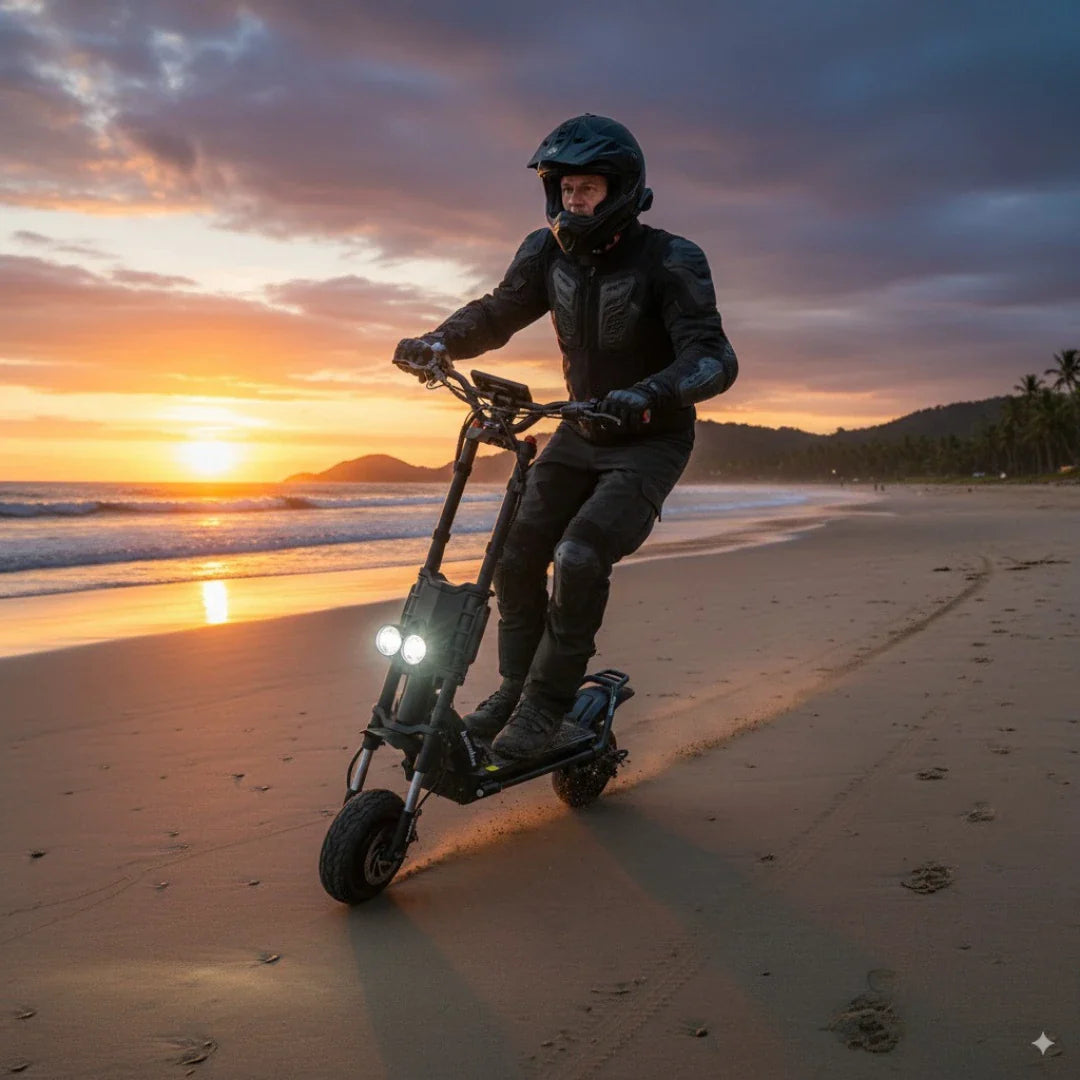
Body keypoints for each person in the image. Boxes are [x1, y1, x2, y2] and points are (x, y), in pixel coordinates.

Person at [393, 114, 738, 760]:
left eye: (589, 189)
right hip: (579, 431)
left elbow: (715, 357)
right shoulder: (546, 253)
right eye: (566, 188)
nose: (575, 201)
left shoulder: (671, 258)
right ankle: (514, 689)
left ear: (622, 190)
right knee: (515, 553)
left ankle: (546, 708)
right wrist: (438, 342)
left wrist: (648, 394)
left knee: (579, 555)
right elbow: (498, 311)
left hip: (649, 440)